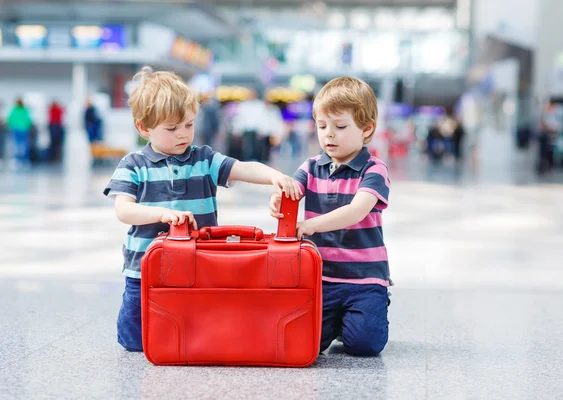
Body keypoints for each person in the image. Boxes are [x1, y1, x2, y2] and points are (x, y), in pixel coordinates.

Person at [103, 66, 301, 352]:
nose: (183, 134)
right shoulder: (133, 165)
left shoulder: (204, 159)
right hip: (145, 270)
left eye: (189, 124)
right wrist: (161, 215)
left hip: (199, 268)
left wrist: (274, 176)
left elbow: (243, 168)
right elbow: (123, 210)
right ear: (143, 127)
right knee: (133, 341)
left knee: (194, 329)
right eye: (172, 129)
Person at [269, 77, 391, 357]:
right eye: (322, 126)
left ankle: (374, 304)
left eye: (340, 126)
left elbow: (356, 211)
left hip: (364, 278)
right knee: (308, 342)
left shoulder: (373, 170)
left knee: (364, 344)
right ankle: (339, 320)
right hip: (321, 278)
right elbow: (293, 191)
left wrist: (309, 225)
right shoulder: (310, 166)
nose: (329, 135)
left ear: (366, 128)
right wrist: (279, 198)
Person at [7, 98, 33, 168]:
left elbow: (9, 119)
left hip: (16, 129)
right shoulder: (25, 110)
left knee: (16, 145)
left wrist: (11, 125)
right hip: (24, 130)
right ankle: (25, 160)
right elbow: (29, 120)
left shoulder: (14, 110)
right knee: (24, 145)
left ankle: (17, 160)